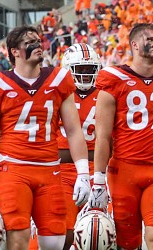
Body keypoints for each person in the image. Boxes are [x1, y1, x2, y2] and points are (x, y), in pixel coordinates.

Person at [0, 26, 90, 250]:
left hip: (49, 168)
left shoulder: (58, 79)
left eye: (38, 41)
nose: (38, 46)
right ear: (15, 52)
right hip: (14, 168)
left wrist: (83, 173)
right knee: (18, 237)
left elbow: (74, 130)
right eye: (30, 43)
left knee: (54, 241)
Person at [89, 23, 153, 249]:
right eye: (150, 39)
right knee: (128, 243)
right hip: (124, 171)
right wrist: (98, 180)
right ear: (134, 44)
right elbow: (103, 137)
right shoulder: (113, 78)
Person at [58, 43, 102, 250]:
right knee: (63, 235)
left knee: (101, 232)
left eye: (89, 69)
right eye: (80, 69)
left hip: (97, 170)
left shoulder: (105, 94)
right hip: (64, 172)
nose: (85, 75)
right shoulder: (57, 94)